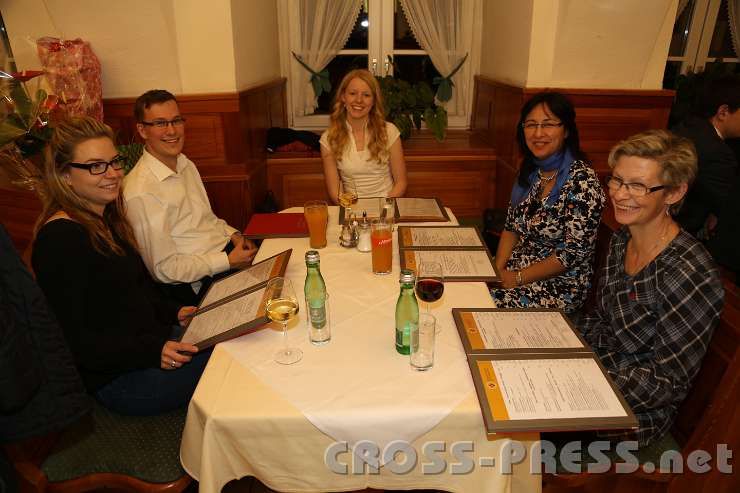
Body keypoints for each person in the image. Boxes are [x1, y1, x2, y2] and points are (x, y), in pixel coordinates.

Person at [31, 117, 209, 416]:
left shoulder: (105, 217)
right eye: (96, 166)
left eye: (114, 162)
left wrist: (175, 312)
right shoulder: (60, 240)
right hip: (123, 379)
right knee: (232, 359)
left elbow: (137, 290)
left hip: (154, 344)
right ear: (64, 175)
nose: (112, 173)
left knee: (236, 340)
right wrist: (153, 351)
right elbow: (79, 341)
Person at [579, 130, 723, 446]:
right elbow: (599, 319)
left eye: (638, 186)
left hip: (634, 413)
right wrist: (565, 354)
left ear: (674, 193)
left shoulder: (690, 272)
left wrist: (582, 383)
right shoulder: (622, 238)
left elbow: (666, 382)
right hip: (592, 373)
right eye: (617, 180)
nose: (619, 194)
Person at [123, 89, 257, 306]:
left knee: (288, 273)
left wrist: (234, 235)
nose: (172, 130)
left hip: (227, 253)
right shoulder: (140, 192)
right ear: (142, 130)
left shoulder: (185, 164)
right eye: (160, 123)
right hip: (199, 283)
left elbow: (208, 220)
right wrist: (227, 261)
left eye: (176, 120)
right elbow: (164, 270)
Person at [491, 92, 605, 314]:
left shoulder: (582, 182)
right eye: (531, 124)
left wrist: (517, 278)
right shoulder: (531, 170)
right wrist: (495, 271)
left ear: (566, 130)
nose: (538, 133)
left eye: (548, 124)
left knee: (479, 305)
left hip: (558, 286)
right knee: (467, 288)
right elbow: (511, 227)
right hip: (516, 268)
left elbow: (571, 254)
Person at [320, 69, 408, 202]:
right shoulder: (328, 138)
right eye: (352, 93)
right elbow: (335, 192)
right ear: (343, 97)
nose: (359, 100)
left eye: (366, 95)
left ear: (374, 101)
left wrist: (383, 208)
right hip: (351, 208)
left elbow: (401, 183)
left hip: (386, 207)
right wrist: (353, 209)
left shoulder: (389, 131)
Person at [671, 74, 740, 237]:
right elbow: (727, 209)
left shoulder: (687, 125)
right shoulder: (718, 154)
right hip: (679, 232)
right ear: (723, 112)